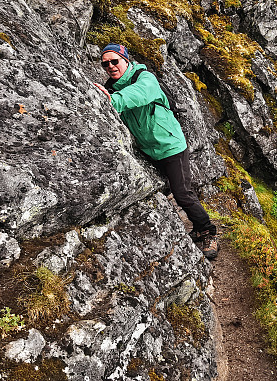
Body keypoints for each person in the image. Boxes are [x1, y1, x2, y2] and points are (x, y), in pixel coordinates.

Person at [93, 44, 219, 259]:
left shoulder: (144, 78)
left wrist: (112, 101)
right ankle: (194, 227)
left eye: (115, 61)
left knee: (182, 193)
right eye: (106, 64)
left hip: (171, 146)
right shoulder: (110, 88)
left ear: (126, 60)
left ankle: (207, 231)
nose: (111, 66)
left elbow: (140, 95)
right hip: (148, 150)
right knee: (170, 191)